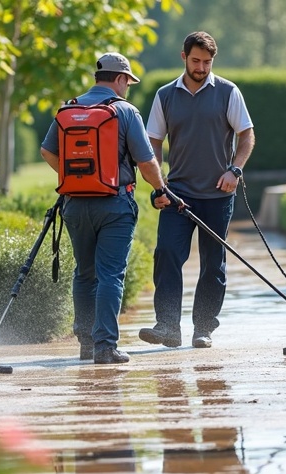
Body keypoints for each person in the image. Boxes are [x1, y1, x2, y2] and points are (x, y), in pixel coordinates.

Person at [41, 52, 168, 365]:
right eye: (128, 82)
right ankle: (105, 347)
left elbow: (47, 151)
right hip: (114, 205)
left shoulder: (68, 108)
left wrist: (71, 179)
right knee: (110, 274)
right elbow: (146, 161)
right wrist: (160, 189)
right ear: (121, 79)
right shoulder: (125, 111)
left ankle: (86, 342)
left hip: (74, 205)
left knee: (85, 274)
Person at [139, 31, 255, 350]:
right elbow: (152, 143)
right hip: (177, 195)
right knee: (166, 255)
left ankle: (203, 329)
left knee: (212, 264)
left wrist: (235, 169)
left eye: (207, 62)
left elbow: (246, 136)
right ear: (183, 57)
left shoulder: (228, 92)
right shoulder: (165, 95)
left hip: (218, 196)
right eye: (196, 61)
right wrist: (158, 185)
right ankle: (167, 326)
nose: (201, 68)